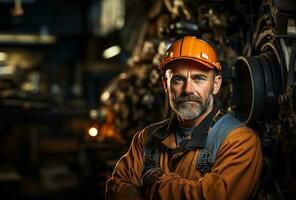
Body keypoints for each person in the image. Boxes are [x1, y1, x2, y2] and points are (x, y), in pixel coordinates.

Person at [105, 36, 263, 200]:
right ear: (166, 85)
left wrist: (155, 181)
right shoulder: (146, 139)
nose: (188, 89)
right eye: (178, 79)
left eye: (199, 78)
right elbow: (116, 189)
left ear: (216, 85)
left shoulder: (239, 141)